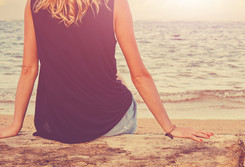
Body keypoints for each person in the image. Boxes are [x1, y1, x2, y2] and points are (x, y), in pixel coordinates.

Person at [0, 0, 213, 143]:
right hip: (108, 124)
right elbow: (139, 75)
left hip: (55, 127)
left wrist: (15, 125)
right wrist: (170, 128)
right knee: (119, 78)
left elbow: (28, 69)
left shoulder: (34, 4)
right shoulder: (115, 3)